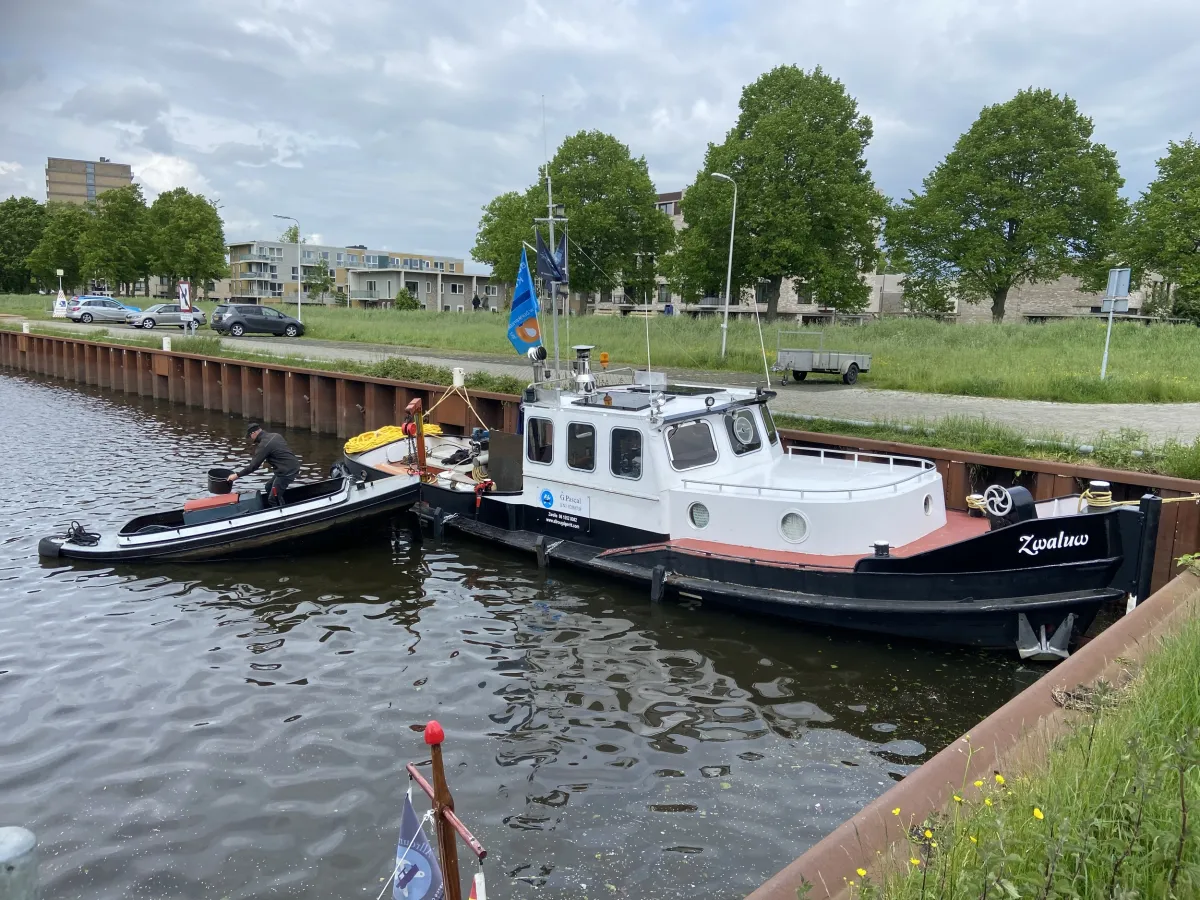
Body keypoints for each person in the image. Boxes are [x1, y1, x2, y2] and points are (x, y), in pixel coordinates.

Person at [228, 423, 301, 507]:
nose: (251, 439)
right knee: (268, 487)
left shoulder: (264, 445)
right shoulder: (275, 435)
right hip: (287, 467)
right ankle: (282, 505)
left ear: (253, 433)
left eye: (249, 436)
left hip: (287, 471)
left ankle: (282, 515)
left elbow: (253, 466)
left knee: (272, 499)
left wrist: (237, 475)